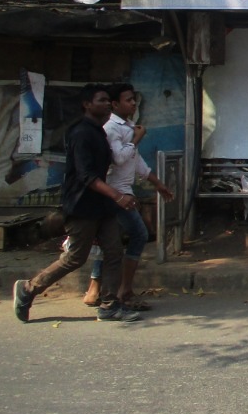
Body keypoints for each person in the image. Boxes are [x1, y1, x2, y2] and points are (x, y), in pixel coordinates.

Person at [13, 84, 142, 323]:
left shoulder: (99, 131)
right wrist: (118, 196)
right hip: (82, 204)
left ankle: (109, 304)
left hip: (102, 205)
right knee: (76, 257)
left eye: (107, 101)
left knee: (114, 251)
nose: (106, 104)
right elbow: (86, 176)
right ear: (87, 104)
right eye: (101, 100)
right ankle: (29, 288)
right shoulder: (81, 133)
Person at [79, 83, 174, 310]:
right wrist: (136, 138)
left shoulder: (128, 126)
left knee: (109, 240)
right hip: (115, 193)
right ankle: (124, 290)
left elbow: (137, 163)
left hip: (121, 192)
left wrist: (158, 184)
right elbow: (120, 158)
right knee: (139, 235)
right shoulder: (112, 128)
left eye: (134, 100)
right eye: (128, 100)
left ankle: (95, 290)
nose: (133, 103)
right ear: (115, 104)